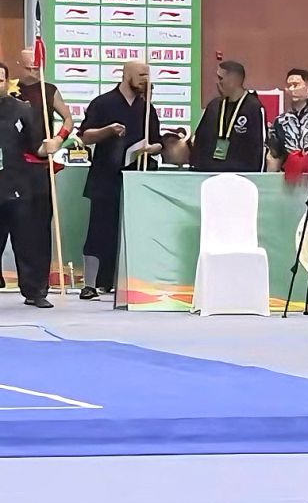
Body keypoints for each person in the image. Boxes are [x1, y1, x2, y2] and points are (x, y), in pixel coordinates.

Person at [78, 62, 188, 300]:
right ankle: (90, 283)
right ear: (126, 75)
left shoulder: (147, 109)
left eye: (147, 75)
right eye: (140, 75)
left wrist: (151, 148)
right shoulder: (103, 103)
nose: (145, 79)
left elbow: (158, 143)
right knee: (99, 229)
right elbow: (85, 136)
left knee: (133, 230)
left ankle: (127, 281)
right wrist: (107, 130)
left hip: (137, 178)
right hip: (106, 176)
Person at [1, 48, 70, 308]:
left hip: (18, 183)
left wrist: (53, 143)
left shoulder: (23, 109)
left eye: (0, 79)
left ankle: (35, 291)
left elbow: (36, 146)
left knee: (28, 238)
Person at [190, 60, 267, 173]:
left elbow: (260, 148)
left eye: (220, 78)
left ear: (233, 80)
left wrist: (258, 178)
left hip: (241, 176)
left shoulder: (253, 107)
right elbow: (199, 142)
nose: (216, 82)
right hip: (210, 174)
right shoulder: (213, 106)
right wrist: (195, 170)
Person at [266, 67, 308, 179]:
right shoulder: (280, 121)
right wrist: (270, 180)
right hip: (288, 178)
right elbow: (274, 155)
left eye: (296, 85)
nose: (292, 89)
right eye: (289, 85)